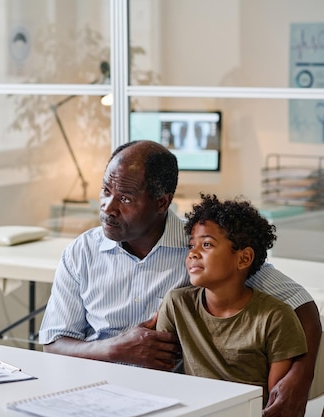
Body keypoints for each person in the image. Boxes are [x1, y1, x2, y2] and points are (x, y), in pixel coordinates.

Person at [39, 140, 321, 417]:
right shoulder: (81, 252)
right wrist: (116, 348)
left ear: (162, 202)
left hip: (172, 401)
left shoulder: (202, 248)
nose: (107, 207)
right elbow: (54, 344)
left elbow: (301, 303)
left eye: (125, 198)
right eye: (105, 190)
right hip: (92, 395)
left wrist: (301, 378)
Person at [156, 194, 308, 404]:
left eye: (207, 245)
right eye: (192, 245)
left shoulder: (275, 317)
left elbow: (277, 404)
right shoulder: (177, 304)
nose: (193, 254)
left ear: (244, 258)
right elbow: (160, 380)